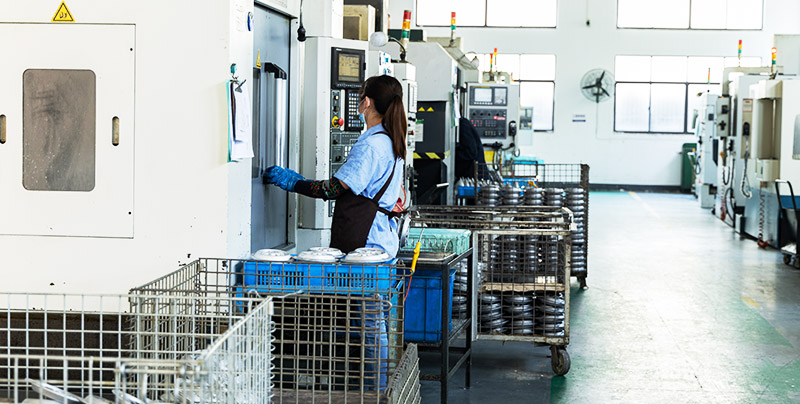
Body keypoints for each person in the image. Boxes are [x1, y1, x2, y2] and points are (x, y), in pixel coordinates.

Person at [263, 74, 407, 389]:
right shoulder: (391, 139)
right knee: (373, 318)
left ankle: (377, 390)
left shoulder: (373, 144)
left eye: (360, 97)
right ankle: (374, 384)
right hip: (380, 238)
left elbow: (335, 188)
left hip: (367, 244)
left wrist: (294, 182)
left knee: (371, 321)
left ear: (366, 102)